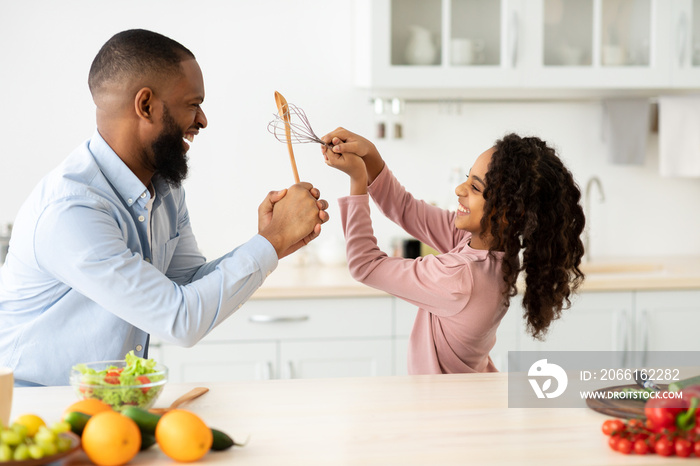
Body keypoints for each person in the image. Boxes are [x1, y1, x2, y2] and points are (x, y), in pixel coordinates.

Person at [0, 29, 329, 386]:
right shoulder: (72, 211)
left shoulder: (165, 189)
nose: (202, 120)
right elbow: (180, 318)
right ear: (146, 106)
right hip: (34, 412)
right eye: (192, 104)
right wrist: (274, 240)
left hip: (108, 407)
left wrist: (269, 239)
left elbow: (184, 283)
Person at [321, 128, 584, 374]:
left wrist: (357, 181)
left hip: (446, 412)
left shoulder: (459, 276)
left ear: (509, 213)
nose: (460, 189)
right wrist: (370, 156)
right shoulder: (493, 249)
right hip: (469, 399)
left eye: (475, 187)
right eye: (468, 178)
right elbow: (403, 208)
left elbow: (365, 265)